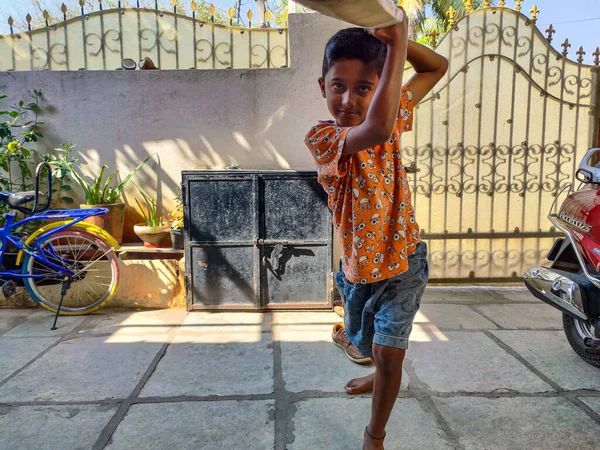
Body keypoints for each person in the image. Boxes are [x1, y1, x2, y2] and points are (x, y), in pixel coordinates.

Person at [304, 8, 448, 450]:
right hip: (357, 271)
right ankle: (366, 355)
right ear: (322, 87)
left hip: (404, 260)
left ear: (380, 86)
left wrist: (393, 45)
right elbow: (377, 125)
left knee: (389, 353)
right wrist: (397, 40)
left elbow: (436, 66)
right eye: (338, 87)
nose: (348, 100)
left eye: (365, 87)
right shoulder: (324, 138)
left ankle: (375, 434)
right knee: (366, 343)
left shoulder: (390, 112)